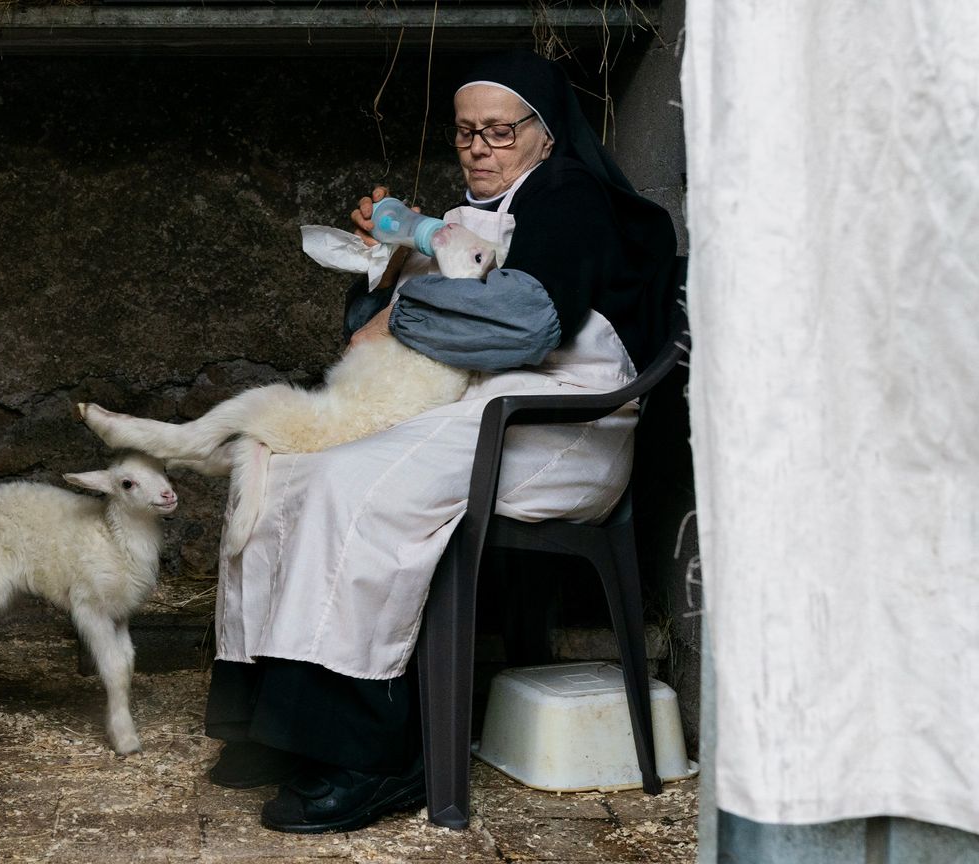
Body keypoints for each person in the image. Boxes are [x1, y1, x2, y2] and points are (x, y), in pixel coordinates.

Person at [201, 47, 678, 834]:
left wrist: (405, 309)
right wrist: (391, 277)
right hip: (478, 408)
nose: (480, 149)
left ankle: (375, 757)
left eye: (499, 132)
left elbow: (529, 323)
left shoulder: (570, 200)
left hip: (561, 424)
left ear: (547, 133)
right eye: (465, 134)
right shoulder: (461, 221)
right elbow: (374, 339)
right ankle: (273, 722)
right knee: (284, 469)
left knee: (353, 489)